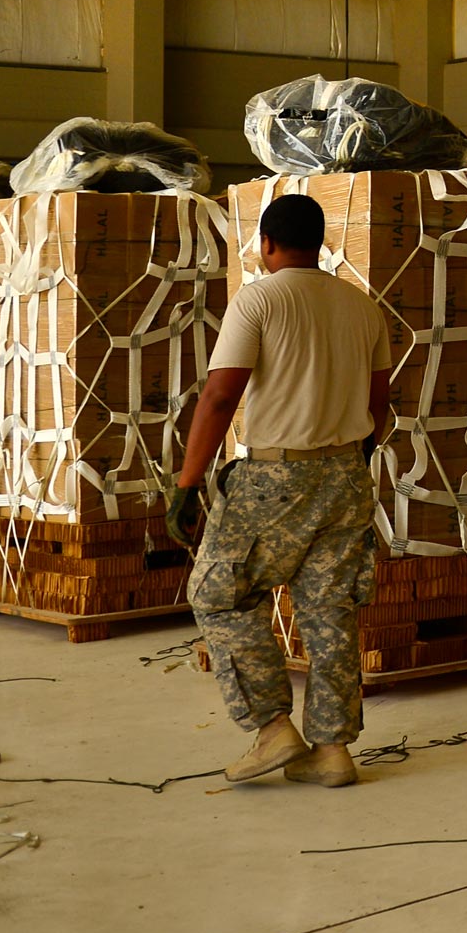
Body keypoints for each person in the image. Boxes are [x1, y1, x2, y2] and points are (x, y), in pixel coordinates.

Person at [173, 192, 393, 787]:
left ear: (265, 243)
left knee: (217, 592)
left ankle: (272, 730)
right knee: (329, 611)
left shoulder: (259, 300)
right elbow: (380, 407)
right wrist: (347, 456)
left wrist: (189, 483)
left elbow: (221, 396)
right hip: (349, 473)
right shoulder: (361, 306)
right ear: (318, 243)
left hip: (276, 476)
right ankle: (332, 751)